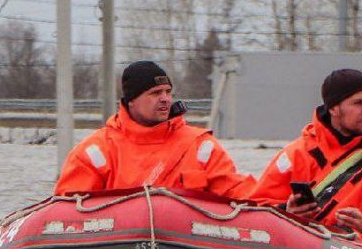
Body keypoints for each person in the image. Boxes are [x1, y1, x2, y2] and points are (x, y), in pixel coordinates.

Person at [250, 69, 362, 249]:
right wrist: (286, 212)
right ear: (333, 108)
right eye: (358, 103)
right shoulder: (297, 154)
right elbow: (254, 214)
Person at [54, 60, 254, 199]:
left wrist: (279, 204)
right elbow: (68, 210)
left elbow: (237, 191)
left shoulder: (200, 146)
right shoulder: (97, 151)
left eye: (168, 92)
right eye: (155, 93)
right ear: (131, 100)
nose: (165, 99)